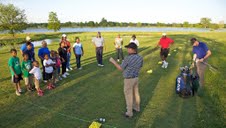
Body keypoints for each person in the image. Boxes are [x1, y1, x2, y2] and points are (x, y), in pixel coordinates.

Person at [109, 43, 143, 118]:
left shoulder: (128, 58)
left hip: (129, 80)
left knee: (129, 96)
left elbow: (121, 68)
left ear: (132, 49)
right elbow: (140, 66)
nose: (127, 49)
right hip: (136, 78)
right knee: (136, 93)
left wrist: (113, 61)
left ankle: (129, 113)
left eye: (128, 48)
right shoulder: (140, 57)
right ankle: (137, 108)